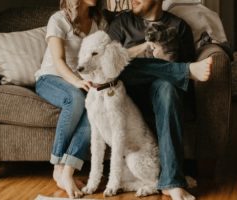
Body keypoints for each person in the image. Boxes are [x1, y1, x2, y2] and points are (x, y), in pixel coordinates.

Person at [107, 0, 212, 200]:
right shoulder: (121, 24)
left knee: (168, 87)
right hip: (129, 93)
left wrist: (167, 63)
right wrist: (140, 51)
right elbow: (107, 63)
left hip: (163, 94)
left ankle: (171, 183)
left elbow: (187, 86)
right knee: (119, 66)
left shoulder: (178, 27)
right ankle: (181, 71)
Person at [34, 0, 106, 198]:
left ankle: (68, 172)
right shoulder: (58, 20)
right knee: (75, 99)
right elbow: (58, 61)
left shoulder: (98, 21)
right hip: (51, 78)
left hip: (82, 80)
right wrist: (76, 81)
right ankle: (57, 167)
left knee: (96, 111)